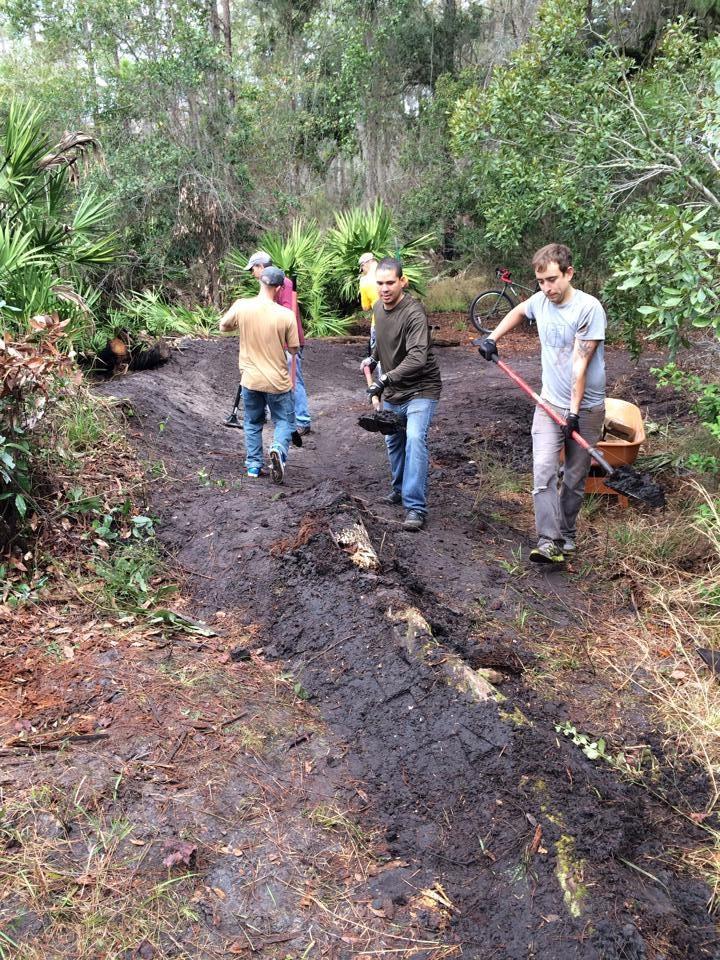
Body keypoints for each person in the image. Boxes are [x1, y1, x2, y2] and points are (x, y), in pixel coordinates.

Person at [477, 243, 606, 565]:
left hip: (586, 409)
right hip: (548, 404)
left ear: (569, 273)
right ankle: (549, 540)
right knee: (544, 473)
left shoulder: (589, 309)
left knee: (574, 480)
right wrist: (493, 337)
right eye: (541, 281)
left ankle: (568, 533)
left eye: (552, 280)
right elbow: (519, 311)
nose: (547, 288)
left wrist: (573, 413)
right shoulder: (540, 301)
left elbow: (581, 365)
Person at [361, 257, 442, 532]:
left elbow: (418, 357)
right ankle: (399, 489)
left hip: (421, 387)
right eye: (380, 283)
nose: (385, 289)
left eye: (390, 283)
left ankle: (415, 508)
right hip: (394, 390)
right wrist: (372, 359)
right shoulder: (377, 309)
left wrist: (383, 379)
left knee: (415, 438)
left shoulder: (414, 313)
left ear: (402, 281)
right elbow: (382, 342)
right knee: (393, 441)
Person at [219, 266, 299, 483]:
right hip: (277, 381)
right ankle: (278, 449)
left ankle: (254, 466)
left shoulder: (242, 305)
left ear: (261, 282)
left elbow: (223, 326)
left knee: (253, 423)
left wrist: (244, 327)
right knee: (284, 421)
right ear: (280, 288)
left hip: (250, 379)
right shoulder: (285, 315)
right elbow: (294, 349)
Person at [246, 251, 312, 435]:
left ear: (261, 266)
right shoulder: (265, 287)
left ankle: (302, 420)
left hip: (288, 343)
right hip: (271, 343)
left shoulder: (284, 282)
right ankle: (273, 415)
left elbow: (287, 312)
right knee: (269, 377)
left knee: (293, 380)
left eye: (253, 269)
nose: (252, 273)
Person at [358, 252, 379, 355]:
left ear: (365, 264)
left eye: (362, 269)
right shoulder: (389, 270)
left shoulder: (364, 281)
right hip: (399, 320)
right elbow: (405, 282)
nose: (363, 271)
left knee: (378, 358)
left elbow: (365, 307)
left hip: (378, 322)